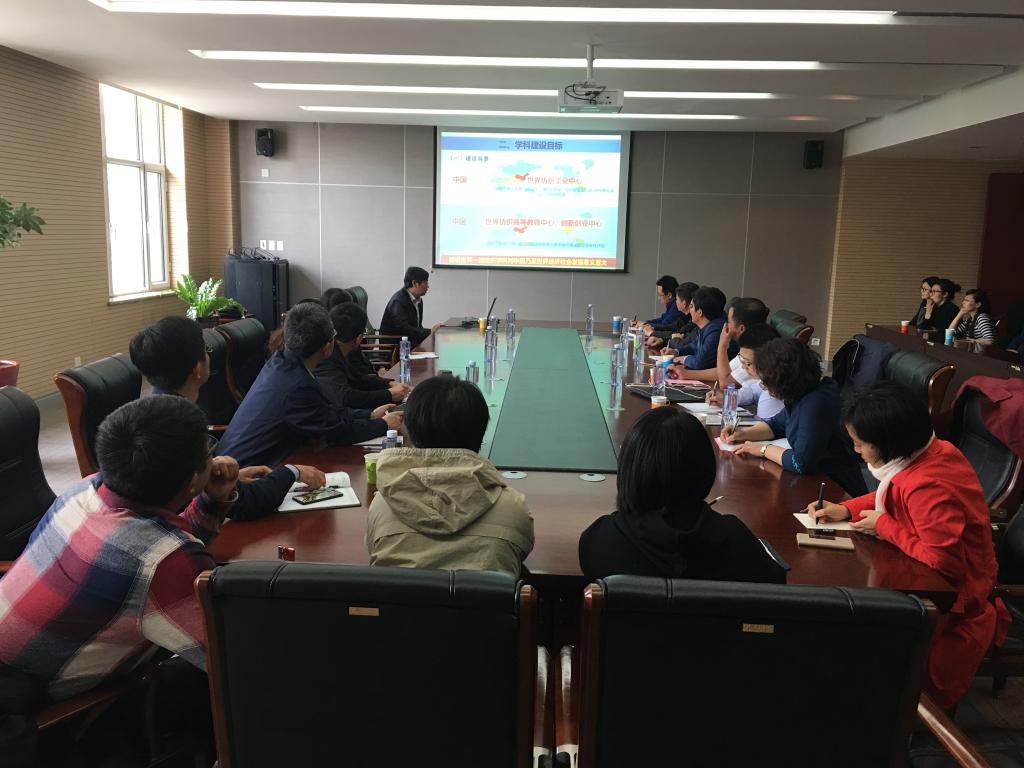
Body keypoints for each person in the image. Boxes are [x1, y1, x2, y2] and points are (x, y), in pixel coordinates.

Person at [0, 396, 238, 701]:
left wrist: (211, 500)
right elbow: (232, 659)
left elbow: (155, 541)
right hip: (26, 704)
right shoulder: (165, 564)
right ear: (193, 480)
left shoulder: (86, 490)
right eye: (208, 450)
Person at [808, 381, 1008, 710]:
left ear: (889, 443)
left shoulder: (929, 485)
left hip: (954, 599)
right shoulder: (931, 452)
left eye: (860, 444)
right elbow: (893, 491)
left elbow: (944, 564)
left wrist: (884, 525)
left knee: (863, 644)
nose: (856, 451)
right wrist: (847, 509)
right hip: (923, 573)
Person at [130, 316, 327, 520]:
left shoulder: (151, 414)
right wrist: (292, 472)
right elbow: (246, 504)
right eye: (206, 350)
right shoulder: (185, 427)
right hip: (180, 531)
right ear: (197, 369)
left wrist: (232, 479)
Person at [578, 407, 785, 583]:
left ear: (631, 467)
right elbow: (776, 590)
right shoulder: (737, 543)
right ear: (704, 467)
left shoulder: (600, 540)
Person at [366, 375, 534, 577]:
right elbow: (519, 554)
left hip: (400, 600)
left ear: (411, 430)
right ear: (481, 430)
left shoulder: (383, 505)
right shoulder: (512, 508)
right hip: (480, 599)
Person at [218, 302, 402, 467]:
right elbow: (336, 432)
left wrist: (369, 415)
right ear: (327, 347)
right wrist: (382, 424)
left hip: (249, 463)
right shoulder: (297, 385)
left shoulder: (281, 361)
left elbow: (324, 413)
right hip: (244, 477)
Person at [721, 338, 867, 496]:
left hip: (835, 488)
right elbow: (777, 425)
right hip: (812, 483)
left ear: (783, 379)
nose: (766, 387)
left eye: (766, 382)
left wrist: (763, 449)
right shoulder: (801, 394)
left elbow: (801, 462)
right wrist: (743, 434)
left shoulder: (815, 403)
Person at [317, 303, 411, 409]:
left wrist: (389, 384)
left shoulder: (341, 348)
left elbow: (358, 379)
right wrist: (389, 394)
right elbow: (346, 398)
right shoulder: (325, 356)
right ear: (359, 338)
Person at [705, 324, 784, 419]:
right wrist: (727, 399)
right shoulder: (767, 379)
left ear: (767, 361)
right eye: (742, 361)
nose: (743, 367)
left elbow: (765, 426)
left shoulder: (773, 396)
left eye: (748, 363)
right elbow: (752, 392)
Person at [686, 296, 769, 384]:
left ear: (741, 329)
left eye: (729, 321)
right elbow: (723, 371)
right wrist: (686, 374)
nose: (725, 325)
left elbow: (725, 382)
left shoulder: (755, 352)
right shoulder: (748, 344)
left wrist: (722, 345)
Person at [666, 287, 728, 375]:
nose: (689, 309)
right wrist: (676, 352)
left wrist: (684, 359)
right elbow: (693, 346)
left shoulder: (716, 331)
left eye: (691, 306)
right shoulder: (706, 327)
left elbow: (700, 363)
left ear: (700, 312)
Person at [380, 266, 440, 346]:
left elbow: (417, 326)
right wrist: (430, 332)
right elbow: (404, 328)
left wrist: (430, 334)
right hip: (395, 346)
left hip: (410, 342)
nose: (427, 286)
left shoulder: (418, 300)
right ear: (415, 283)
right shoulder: (398, 301)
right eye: (425, 282)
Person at [646, 281, 699, 349]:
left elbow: (680, 335)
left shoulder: (695, 320)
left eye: (676, 299)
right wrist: (660, 337)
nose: (675, 302)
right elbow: (673, 328)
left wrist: (652, 333)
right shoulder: (683, 315)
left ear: (684, 303)